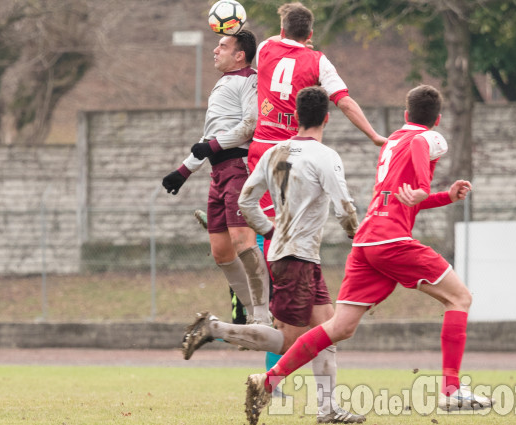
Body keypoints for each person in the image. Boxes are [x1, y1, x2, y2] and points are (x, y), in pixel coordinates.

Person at [244, 85, 496, 423]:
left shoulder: (392, 141)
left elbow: (401, 197)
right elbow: (422, 162)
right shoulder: (424, 139)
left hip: (366, 241)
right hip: (390, 240)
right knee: (460, 298)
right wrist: (423, 187)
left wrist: (443, 196)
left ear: (405, 115)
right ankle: (451, 391)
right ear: (436, 119)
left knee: (340, 327)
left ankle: (268, 380)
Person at [182, 86, 365, 424]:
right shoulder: (326, 156)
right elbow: (344, 208)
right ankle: (214, 328)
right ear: (326, 117)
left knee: (327, 331)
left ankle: (327, 410)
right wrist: (359, 237)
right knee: (289, 342)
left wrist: (268, 230)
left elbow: (246, 202)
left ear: (296, 117)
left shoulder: (274, 152)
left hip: (293, 255)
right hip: (298, 257)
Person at [249, 1, 386, 259]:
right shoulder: (317, 60)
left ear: (282, 29)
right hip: (294, 153)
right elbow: (344, 101)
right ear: (310, 35)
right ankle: (281, 284)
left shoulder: (265, 47)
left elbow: (275, 39)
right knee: (295, 225)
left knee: (267, 221)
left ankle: (265, 286)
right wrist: (374, 135)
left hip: (262, 147)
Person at [161, 30, 271, 326]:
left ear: (239, 55)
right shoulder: (223, 84)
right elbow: (209, 137)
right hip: (217, 173)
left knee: (243, 241)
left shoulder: (250, 79)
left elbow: (250, 126)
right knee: (221, 253)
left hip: (238, 167)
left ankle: (262, 314)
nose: (215, 50)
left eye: (222, 46)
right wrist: (183, 171)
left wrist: (210, 146)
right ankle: (256, 309)